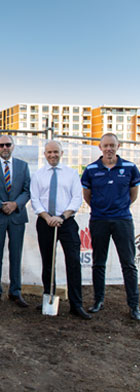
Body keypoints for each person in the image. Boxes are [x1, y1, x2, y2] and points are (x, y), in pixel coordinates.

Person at [81, 133, 140, 321]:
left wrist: (118, 208)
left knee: (129, 264)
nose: (109, 149)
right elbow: (87, 196)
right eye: (105, 145)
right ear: (100, 147)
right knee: (99, 262)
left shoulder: (130, 168)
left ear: (118, 146)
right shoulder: (91, 169)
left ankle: (134, 305)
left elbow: (133, 195)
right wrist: (102, 209)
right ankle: (98, 300)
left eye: (112, 145)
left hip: (122, 220)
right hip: (99, 220)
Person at [31, 141, 91, 320]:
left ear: (61, 153)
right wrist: (47, 217)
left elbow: (76, 198)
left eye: (55, 152)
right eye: (49, 152)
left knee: (73, 262)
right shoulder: (38, 175)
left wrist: (62, 217)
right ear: (45, 154)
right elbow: (35, 199)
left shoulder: (71, 173)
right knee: (48, 263)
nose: (52, 155)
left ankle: (76, 304)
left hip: (67, 223)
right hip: (45, 223)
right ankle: (48, 299)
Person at [0, 135, 31, 307]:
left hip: (17, 216)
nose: (4, 147)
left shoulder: (23, 166)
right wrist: (0, 205)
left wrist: (15, 204)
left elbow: (27, 191)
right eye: (1, 145)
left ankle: (15, 292)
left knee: (16, 255)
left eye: (7, 144)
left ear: (13, 146)